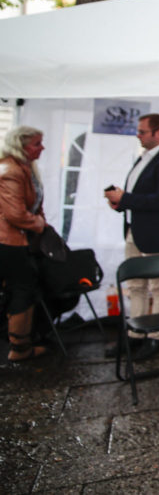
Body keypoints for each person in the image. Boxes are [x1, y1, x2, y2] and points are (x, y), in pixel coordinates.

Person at [103, 113, 159, 361]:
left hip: (157, 234)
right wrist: (121, 202)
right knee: (136, 286)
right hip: (134, 230)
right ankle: (135, 334)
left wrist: (125, 199)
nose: (137, 135)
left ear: (158, 133)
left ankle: (155, 337)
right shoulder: (144, 158)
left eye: (142, 131)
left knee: (158, 286)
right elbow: (141, 196)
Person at [0, 126, 49, 361]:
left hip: (16, 239)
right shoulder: (11, 170)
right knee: (23, 289)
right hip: (8, 241)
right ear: (21, 145)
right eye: (37, 143)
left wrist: (41, 222)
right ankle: (19, 348)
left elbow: (34, 204)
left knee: (24, 288)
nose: (42, 148)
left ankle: (21, 344)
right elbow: (15, 214)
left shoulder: (24, 168)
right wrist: (40, 224)